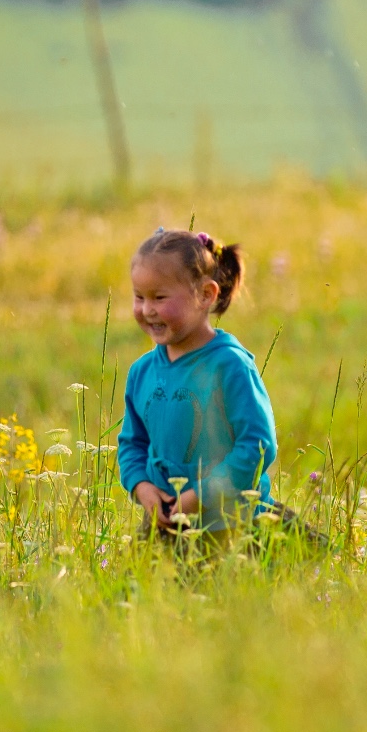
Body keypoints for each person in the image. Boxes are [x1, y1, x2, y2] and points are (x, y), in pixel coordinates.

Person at [118, 227, 280, 537]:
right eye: (139, 297)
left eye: (159, 297)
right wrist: (141, 486)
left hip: (233, 527)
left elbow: (257, 445)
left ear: (206, 295)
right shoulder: (142, 372)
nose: (147, 310)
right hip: (166, 528)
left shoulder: (229, 365)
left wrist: (202, 496)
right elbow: (132, 443)